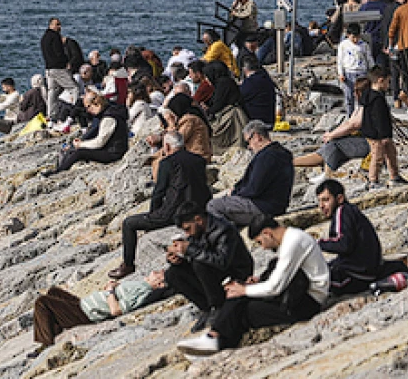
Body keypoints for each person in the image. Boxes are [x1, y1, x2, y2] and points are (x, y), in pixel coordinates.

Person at [176, 218, 329, 355]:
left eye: (260, 242)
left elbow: (275, 287)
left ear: (267, 233)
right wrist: (258, 281)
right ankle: (214, 343)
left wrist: (244, 290)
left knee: (244, 308)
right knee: (241, 307)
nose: (262, 248)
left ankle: (214, 339)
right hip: (299, 295)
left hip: (308, 303)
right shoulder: (291, 238)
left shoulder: (293, 242)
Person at [110, 131, 213, 279]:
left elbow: (159, 192)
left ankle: (128, 265)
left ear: (167, 146)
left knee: (128, 223)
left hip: (174, 213)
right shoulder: (198, 160)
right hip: (198, 209)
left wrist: (153, 215)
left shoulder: (167, 162)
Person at [166, 202, 254, 333]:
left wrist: (190, 249)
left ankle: (217, 306)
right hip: (212, 271)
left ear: (198, 220)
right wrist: (178, 259)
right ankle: (206, 308)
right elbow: (198, 255)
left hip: (235, 272)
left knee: (200, 264)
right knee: (172, 274)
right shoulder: (197, 233)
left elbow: (222, 260)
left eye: (187, 228)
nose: (187, 233)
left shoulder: (223, 230)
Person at [31, 270, 173, 350]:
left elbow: (116, 310)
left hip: (85, 314)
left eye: (159, 273)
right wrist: (115, 286)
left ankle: (46, 344)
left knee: (42, 303)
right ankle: (54, 331)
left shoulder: (143, 291)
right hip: (82, 304)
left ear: (159, 284)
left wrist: (111, 291)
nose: (156, 271)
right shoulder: (141, 285)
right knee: (54, 291)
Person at [207, 120, 294, 227]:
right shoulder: (282, 153)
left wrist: (234, 194)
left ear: (257, 136)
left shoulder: (266, 157)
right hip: (276, 205)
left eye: (248, 141)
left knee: (213, 205)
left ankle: (224, 237)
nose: (249, 146)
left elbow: (254, 188)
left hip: (263, 207)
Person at [295, 77, 373, 183]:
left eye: (355, 91)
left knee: (334, 145)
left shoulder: (369, 105)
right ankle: (292, 162)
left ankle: (327, 175)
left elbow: (354, 124)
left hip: (370, 144)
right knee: (329, 146)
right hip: (362, 140)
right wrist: (332, 133)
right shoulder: (360, 105)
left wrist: (332, 135)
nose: (354, 94)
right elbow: (348, 122)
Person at [315, 179, 383, 295]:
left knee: (314, 282)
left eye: (326, 200)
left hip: (358, 275)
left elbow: (344, 244)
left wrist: (317, 243)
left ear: (339, 198)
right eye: (319, 201)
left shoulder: (342, 211)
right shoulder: (349, 211)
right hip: (366, 270)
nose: (321, 206)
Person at [54, 92, 129, 172]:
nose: (88, 110)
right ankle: (60, 168)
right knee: (74, 150)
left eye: (88, 107)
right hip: (112, 148)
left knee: (79, 153)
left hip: (113, 153)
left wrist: (81, 144)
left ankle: (59, 171)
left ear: (96, 103)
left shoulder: (109, 118)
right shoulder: (110, 110)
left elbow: (100, 142)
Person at [42, 18, 79, 117]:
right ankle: (76, 112)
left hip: (48, 68)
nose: (59, 27)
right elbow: (59, 53)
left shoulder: (44, 37)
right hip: (58, 68)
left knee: (52, 92)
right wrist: (66, 62)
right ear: (51, 25)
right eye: (57, 24)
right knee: (74, 88)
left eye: (59, 24)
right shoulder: (55, 36)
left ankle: (50, 115)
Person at [337, 22, 374, 115]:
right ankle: (350, 116)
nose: (355, 39)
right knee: (349, 97)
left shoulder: (364, 45)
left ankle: (363, 116)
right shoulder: (343, 45)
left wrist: (373, 71)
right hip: (349, 72)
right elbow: (340, 60)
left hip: (362, 72)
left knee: (363, 96)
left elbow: (369, 58)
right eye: (353, 37)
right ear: (348, 35)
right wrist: (341, 73)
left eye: (357, 37)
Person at [239, 55, 276, 127]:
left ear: (244, 69)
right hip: (270, 120)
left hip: (256, 122)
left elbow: (239, 96)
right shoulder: (265, 78)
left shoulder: (250, 82)